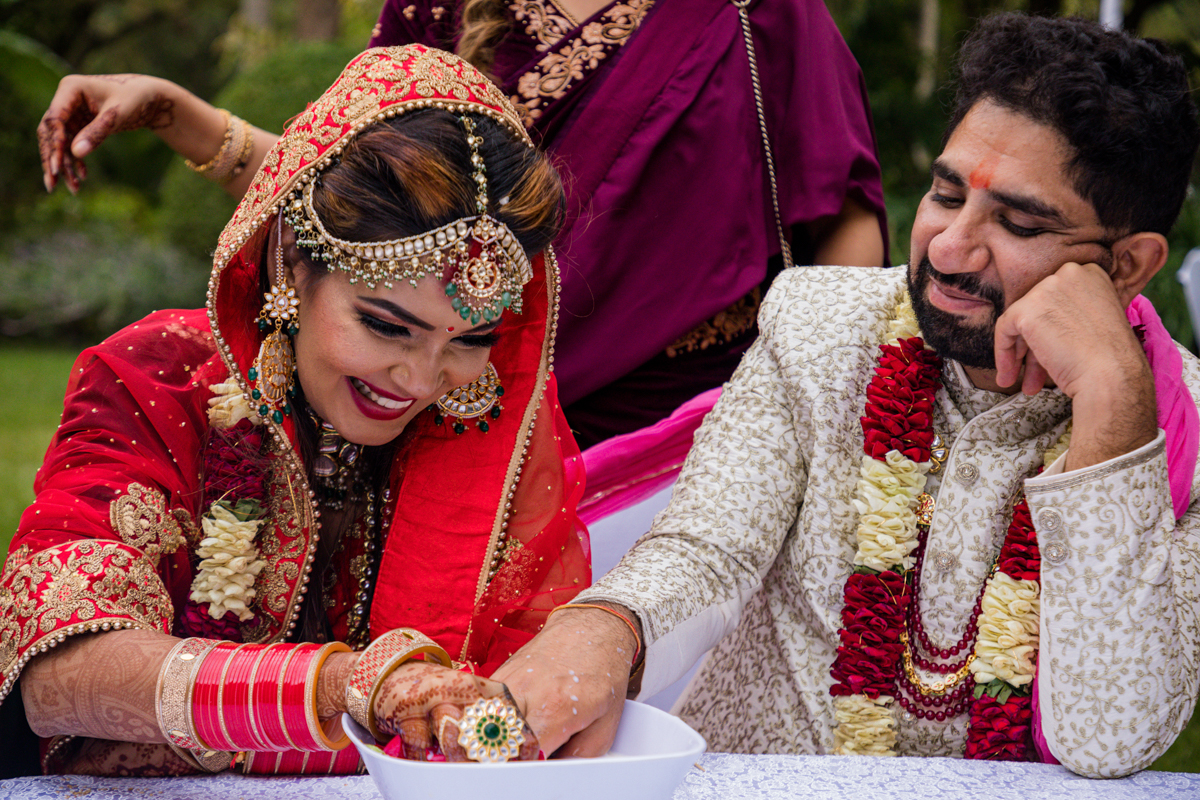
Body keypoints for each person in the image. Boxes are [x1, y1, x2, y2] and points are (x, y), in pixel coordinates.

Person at [490, 13, 1200, 779]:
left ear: (1127, 265)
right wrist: (605, 628)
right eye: (944, 193)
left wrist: (1114, 407)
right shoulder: (821, 325)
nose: (950, 248)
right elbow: (710, 547)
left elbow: (1111, 738)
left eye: (1019, 222)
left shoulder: (1174, 419)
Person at [0, 44, 588, 778]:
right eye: (385, 325)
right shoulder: (154, 380)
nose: (420, 377)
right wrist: (347, 686)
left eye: (470, 340)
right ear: (288, 263)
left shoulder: (495, 441)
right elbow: (57, 673)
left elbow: (531, 704)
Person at [36, 0, 888, 448]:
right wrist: (180, 115)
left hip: (691, 443)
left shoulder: (755, 11)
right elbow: (357, 194)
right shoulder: (442, 2)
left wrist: (828, 417)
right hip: (453, 406)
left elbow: (841, 224)